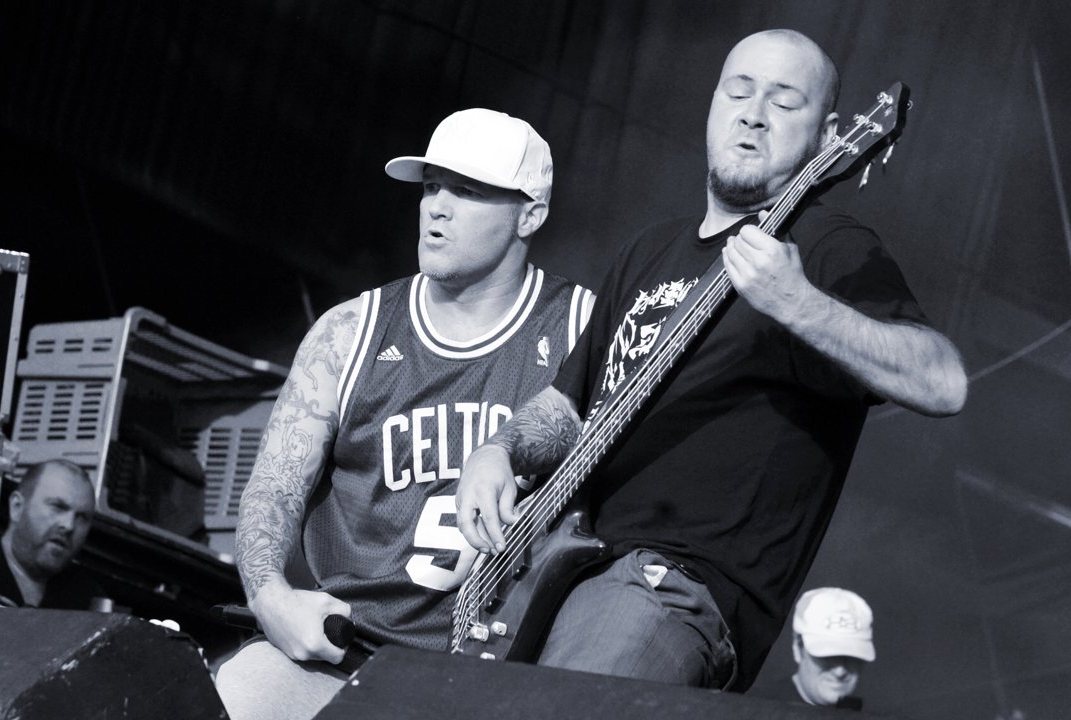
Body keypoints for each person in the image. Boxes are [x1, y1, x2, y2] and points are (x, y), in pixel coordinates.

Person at [455, 29, 968, 692]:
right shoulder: (648, 250)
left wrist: (800, 304)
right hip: (558, 575)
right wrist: (499, 451)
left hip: (671, 587)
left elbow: (942, 380)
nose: (754, 112)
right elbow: (569, 405)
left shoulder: (827, 246)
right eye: (739, 90)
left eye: (784, 102)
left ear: (829, 133)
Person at [215, 108, 594, 720]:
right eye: (432, 186)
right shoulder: (349, 332)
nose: (437, 207)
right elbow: (274, 488)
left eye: (467, 191)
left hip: (501, 680)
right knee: (237, 695)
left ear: (530, 214)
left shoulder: (583, 328)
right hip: (343, 660)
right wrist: (268, 595)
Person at [0, 459, 104, 609]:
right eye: (58, 507)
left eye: (81, 517)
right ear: (17, 507)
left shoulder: (88, 601)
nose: (69, 525)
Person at [785, 587, 875, 709]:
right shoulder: (757, 710)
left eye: (851, 656)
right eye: (828, 656)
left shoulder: (865, 714)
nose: (840, 671)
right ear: (797, 649)